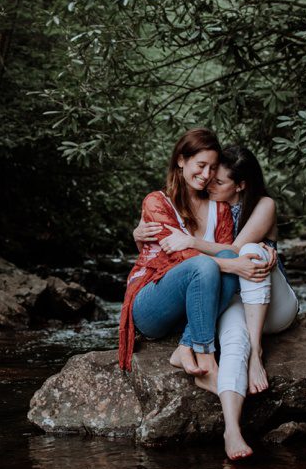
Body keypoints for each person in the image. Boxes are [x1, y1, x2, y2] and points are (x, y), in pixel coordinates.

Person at [134, 144, 298, 459]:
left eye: (218, 181)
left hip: (271, 302)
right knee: (234, 343)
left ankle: (257, 353)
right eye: (209, 177)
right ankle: (233, 432)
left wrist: (193, 242)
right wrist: (138, 232)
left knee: (251, 251)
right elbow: (171, 250)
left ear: (241, 185)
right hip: (234, 295)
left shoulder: (263, 205)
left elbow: (233, 251)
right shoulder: (211, 205)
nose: (210, 183)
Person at [117, 129, 273, 395]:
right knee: (208, 264)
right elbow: (178, 258)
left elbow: (227, 252)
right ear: (181, 160)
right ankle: (207, 362)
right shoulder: (157, 202)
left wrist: (256, 250)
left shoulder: (219, 207)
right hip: (153, 304)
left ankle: (186, 346)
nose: (206, 175)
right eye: (200, 165)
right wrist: (233, 266)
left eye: (212, 168)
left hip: (195, 309)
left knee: (223, 257)